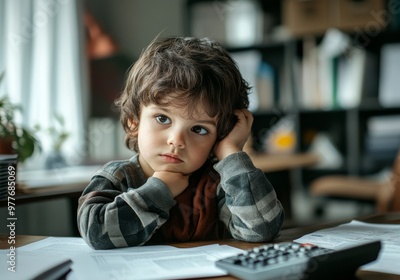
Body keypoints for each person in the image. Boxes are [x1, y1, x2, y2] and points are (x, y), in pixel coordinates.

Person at [77, 37, 285, 249]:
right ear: (134, 122)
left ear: (219, 137)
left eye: (199, 129)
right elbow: (96, 233)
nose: (176, 141)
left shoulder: (218, 184)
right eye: (162, 119)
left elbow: (262, 229)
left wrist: (231, 153)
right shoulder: (117, 177)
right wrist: (160, 190)